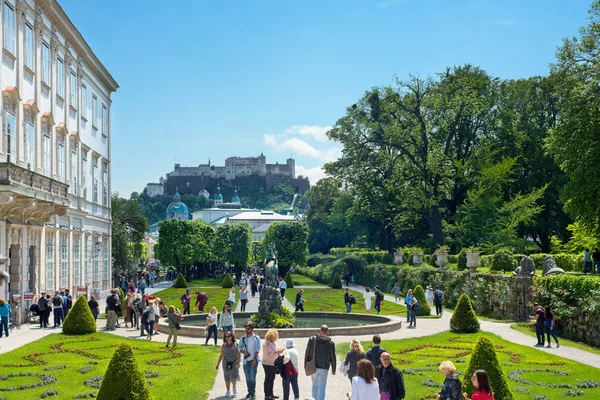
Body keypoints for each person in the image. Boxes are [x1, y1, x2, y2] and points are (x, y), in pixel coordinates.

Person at [305, 324, 336, 400]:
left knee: (315, 385)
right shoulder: (330, 343)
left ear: (319, 331)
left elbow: (307, 352)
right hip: (324, 367)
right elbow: (333, 357)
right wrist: (333, 369)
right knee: (322, 387)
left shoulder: (312, 339)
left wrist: (305, 365)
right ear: (327, 332)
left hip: (313, 365)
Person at [239, 321, 261, 399]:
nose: (247, 330)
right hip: (246, 361)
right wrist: (244, 352)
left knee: (252, 377)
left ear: (252, 329)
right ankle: (250, 392)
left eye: (249, 328)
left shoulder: (256, 338)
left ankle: (253, 392)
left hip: (253, 360)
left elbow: (257, 349)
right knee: (248, 377)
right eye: (246, 328)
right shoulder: (243, 338)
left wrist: (255, 359)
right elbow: (239, 348)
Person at [262, 328, 285, 400]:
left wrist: (279, 351)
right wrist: (277, 351)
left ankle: (271, 394)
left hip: (273, 363)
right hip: (267, 363)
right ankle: (267, 394)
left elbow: (276, 350)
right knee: (268, 378)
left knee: (272, 378)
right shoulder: (266, 343)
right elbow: (269, 353)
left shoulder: (273, 342)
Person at [217, 331, 240, 397]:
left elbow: (239, 354)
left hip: (234, 362)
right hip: (226, 362)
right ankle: (228, 391)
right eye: (226, 337)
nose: (227, 338)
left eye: (228, 336)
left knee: (233, 377)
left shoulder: (235, 344)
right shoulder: (223, 345)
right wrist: (218, 364)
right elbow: (221, 355)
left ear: (232, 337)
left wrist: (238, 363)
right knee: (227, 377)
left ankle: (234, 386)